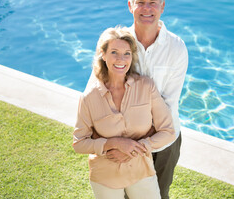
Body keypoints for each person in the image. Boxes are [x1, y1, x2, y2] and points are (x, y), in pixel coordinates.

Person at [86, 0, 188, 199]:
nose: (147, 8)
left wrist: (135, 146)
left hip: (163, 143)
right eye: (140, 2)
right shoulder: (116, 43)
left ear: (162, 6)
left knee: (158, 194)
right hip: (119, 139)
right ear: (130, 5)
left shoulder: (177, 48)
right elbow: (94, 92)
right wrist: (114, 144)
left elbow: (169, 103)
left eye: (153, 2)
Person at [73, 27, 176, 199]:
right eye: (114, 52)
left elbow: (168, 131)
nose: (121, 59)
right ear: (103, 55)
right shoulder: (88, 98)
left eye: (126, 53)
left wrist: (132, 149)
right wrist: (113, 143)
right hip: (105, 177)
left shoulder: (146, 87)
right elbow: (79, 143)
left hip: (142, 173)